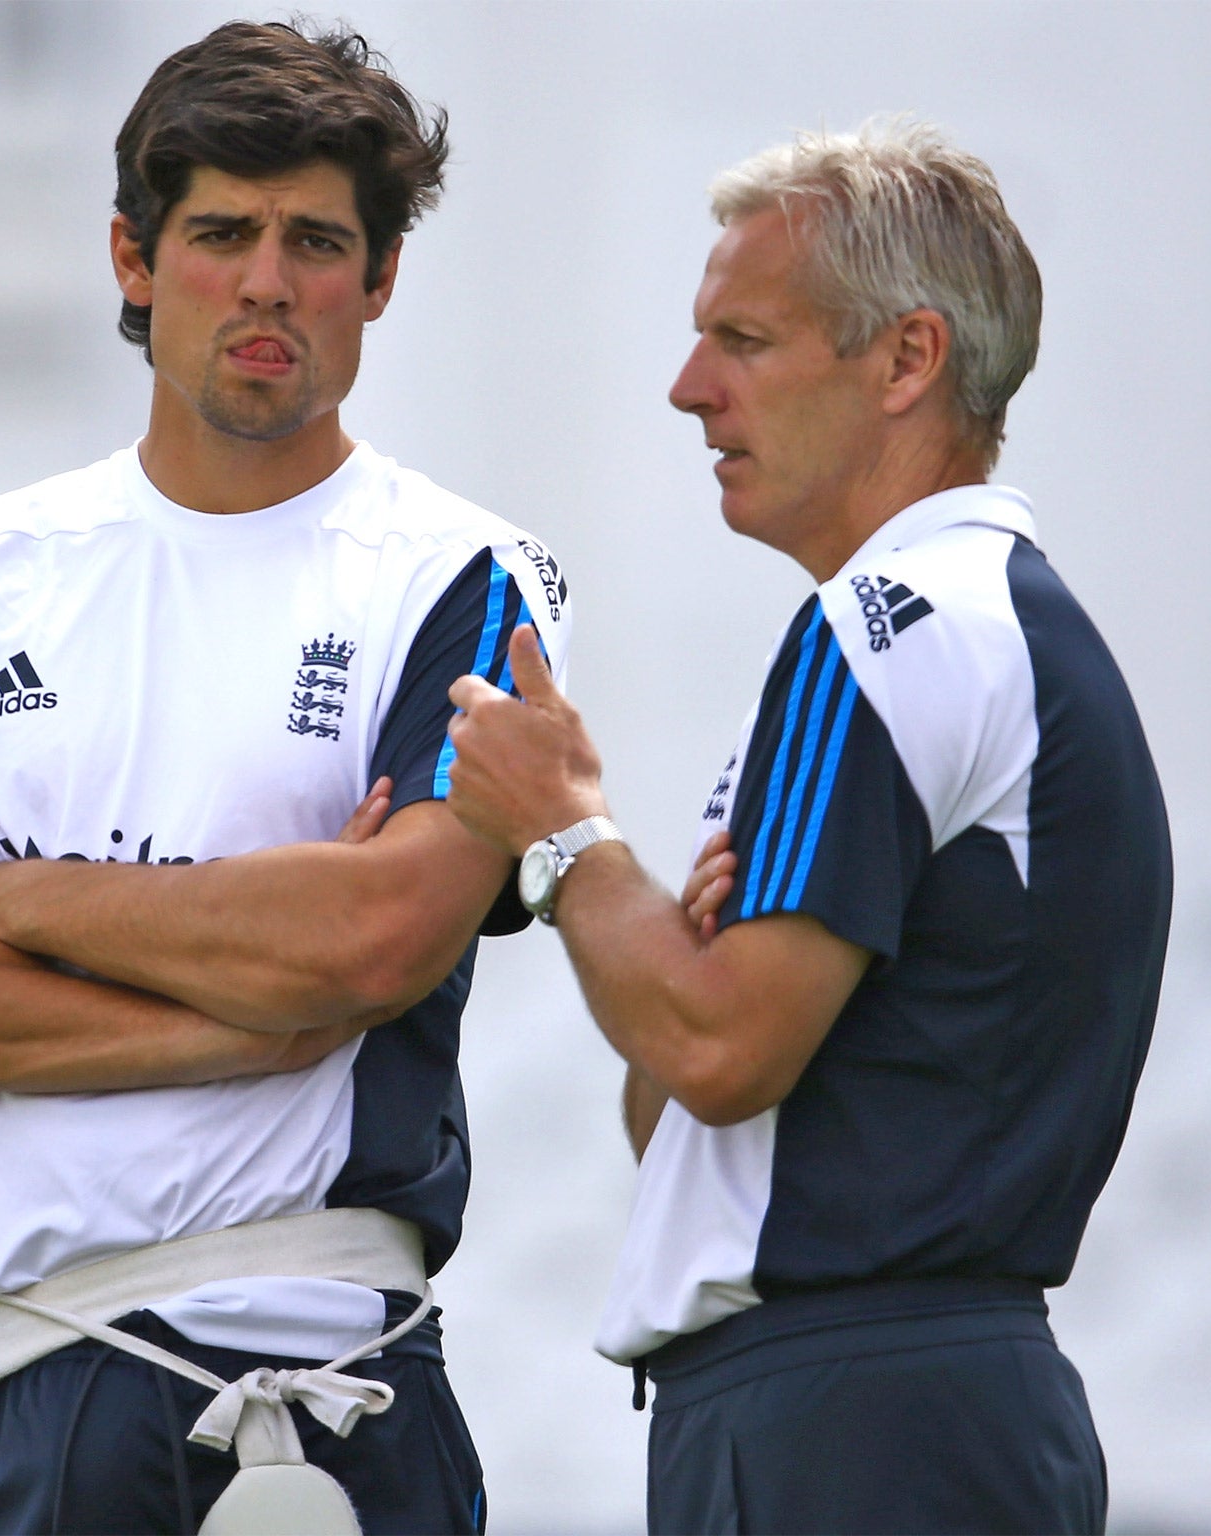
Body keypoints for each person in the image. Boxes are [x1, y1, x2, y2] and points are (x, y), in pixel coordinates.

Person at [0, 21, 567, 1535]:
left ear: (380, 281)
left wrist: (3, 893)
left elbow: (375, 940)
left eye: (316, 241)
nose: (267, 280)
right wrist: (247, 1020)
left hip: (323, 1394)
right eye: (220, 232)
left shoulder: (470, 577)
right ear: (136, 260)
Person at [443, 118, 1170, 1534]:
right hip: (884, 1395)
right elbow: (677, 1097)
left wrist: (561, 836)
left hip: (860, 1410)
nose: (687, 388)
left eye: (746, 340)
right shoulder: (970, 625)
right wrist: (655, 927)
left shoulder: (894, 627)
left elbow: (715, 1050)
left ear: (907, 361)